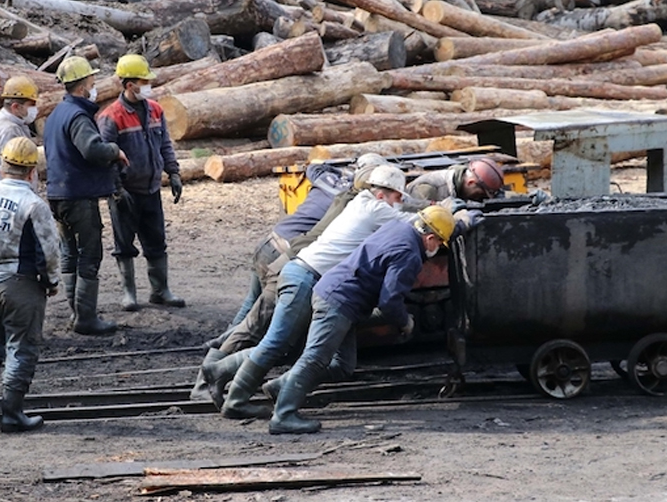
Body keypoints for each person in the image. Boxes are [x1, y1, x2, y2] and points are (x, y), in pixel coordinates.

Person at [202, 164, 416, 417]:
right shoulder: (377, 209)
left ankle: (230, 374)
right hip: (307, 277)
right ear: (383, 194)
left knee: (322, 356)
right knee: (277, 343)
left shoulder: (362, 200)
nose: (398, 203)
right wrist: (451, 211)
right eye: (398, 197)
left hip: (312, 277)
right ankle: (232, 394)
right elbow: (414, 222)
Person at [268, 205, 455, 434]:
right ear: (430, 238)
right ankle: (283, 416)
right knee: (316, 358)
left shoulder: (398, 228)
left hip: (339, 296)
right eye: (439, 243)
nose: (437, 249)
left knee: (342, 366)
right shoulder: (410, 254)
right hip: (339, 301)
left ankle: (282, 386)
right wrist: (405, 321)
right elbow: (389, 301)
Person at [0, 137, 60, 433]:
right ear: (32, 172)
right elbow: (49, 249)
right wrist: (52, 281)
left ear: (3, 166)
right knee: (22, 344)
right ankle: (13, 412)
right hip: (19, 282)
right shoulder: (33, 204)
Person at [44, 56, 129, 335]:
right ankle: (86, 318)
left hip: (58, 194)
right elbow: (91, 149)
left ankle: (76, 312)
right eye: (92, 84)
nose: (94, 89)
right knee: (89, 255)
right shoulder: (78, 116)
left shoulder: (57, 114)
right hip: (78, 196)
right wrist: (114, 151)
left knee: (69, 253)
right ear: (81, 87)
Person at [97, 54, 184, 311]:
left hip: (151, 188)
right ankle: (129, 293)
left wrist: (174, 173)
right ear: (128, 84)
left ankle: (160, 290)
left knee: (156, 241)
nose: (148, 85)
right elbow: (106, 156)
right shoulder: (111, 116)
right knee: (124, 245)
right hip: (126, 191)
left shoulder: (155, 110)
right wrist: (116, 189)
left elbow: (165, 145)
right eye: (143, 81)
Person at [0, 76, 40, 192]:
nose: (35, 109)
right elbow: (16, 172)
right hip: (3, 195)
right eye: (31, 105)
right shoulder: (9, 130)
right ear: (15, 107)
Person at [407, 157, 505, 204]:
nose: (480, 198)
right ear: (471, 183)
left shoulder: (461, 187)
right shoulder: (427, 189)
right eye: (481, 194)